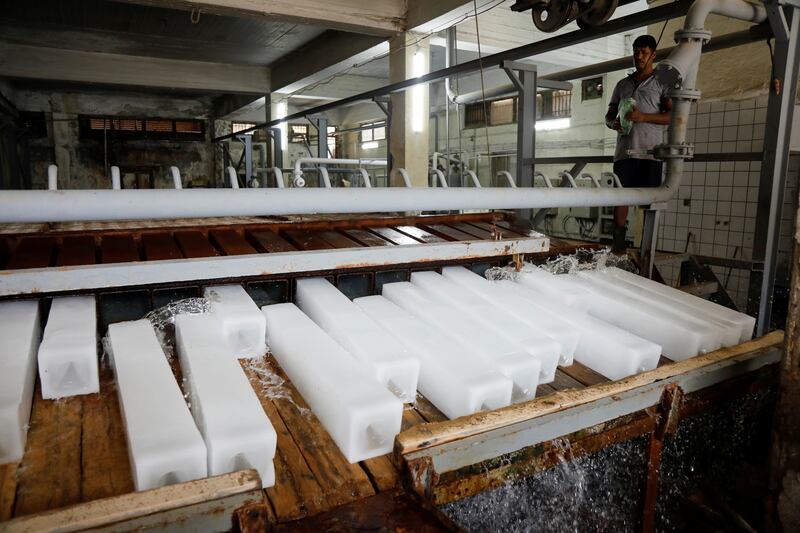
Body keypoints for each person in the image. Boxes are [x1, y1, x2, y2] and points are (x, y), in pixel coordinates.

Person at [605, 34, 672, 253]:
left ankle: (647, 247)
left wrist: (643, 117)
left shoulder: (661, 83)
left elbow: (671, 116)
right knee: (620, 197)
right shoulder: (623, 84)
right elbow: (609, 115)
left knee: (650, 201)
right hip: (624, 152)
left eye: (643, 52)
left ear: (653, 55)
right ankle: (619, 245)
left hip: (649, 152)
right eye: (636, 52)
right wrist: (612, 123)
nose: (639, 56)